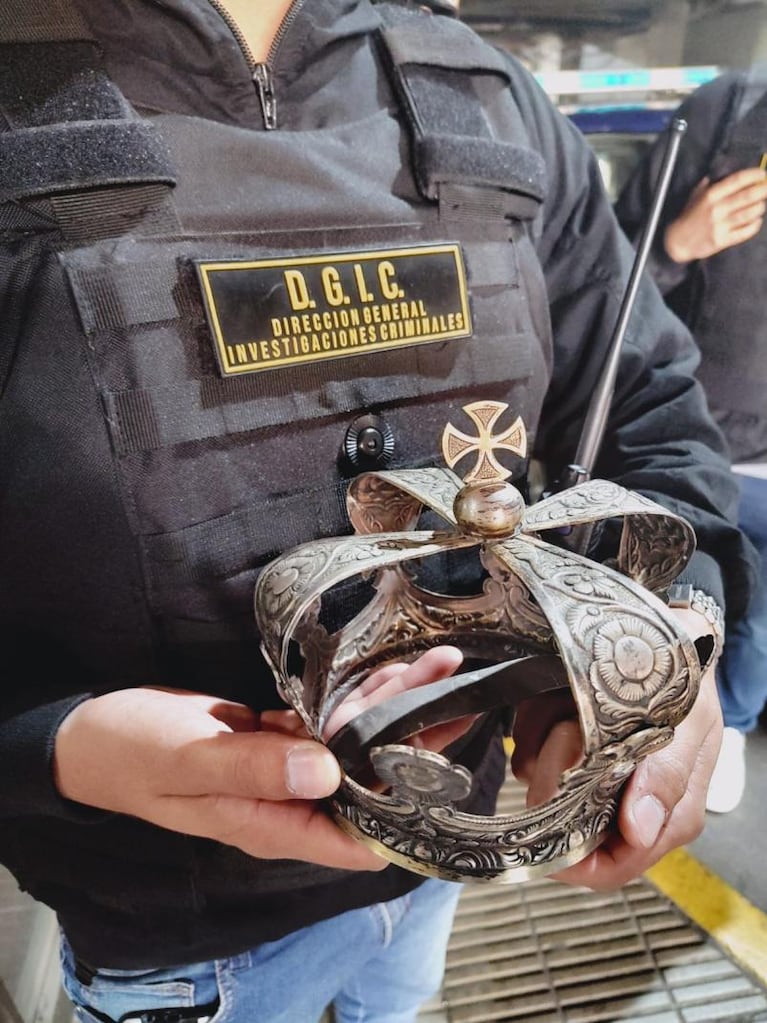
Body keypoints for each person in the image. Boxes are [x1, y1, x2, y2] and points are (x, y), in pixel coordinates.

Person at [0, 2, 756, 1022]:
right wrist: (51, 746)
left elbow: (652, 421)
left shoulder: (487, 99)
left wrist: (646, 655)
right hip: (176, 936)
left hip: (445, 857)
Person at [615, 67, 767, 814]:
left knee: (760, 620)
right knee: (665, 598)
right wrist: (678, 240)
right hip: (691, 444)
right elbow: (605, 280)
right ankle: (641, 732)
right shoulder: (725, 113)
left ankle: (730, 724)